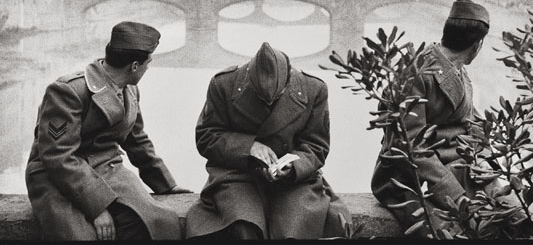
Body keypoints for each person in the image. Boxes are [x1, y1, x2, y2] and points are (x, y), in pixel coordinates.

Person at [25, 21, 191, 241]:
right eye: (147, 63)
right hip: (56, 175)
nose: (147, 69)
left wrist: (166, 185)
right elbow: (58, 156)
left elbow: (136, 140)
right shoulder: (68, 91)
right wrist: (98, 207)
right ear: (134, 66)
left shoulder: (130, 89)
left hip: (106, 168)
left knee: (159, 223)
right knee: (81, 237)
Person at [185, 42, 353, 240]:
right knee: (244, 228)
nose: (268, 103)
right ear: (248, 80)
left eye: (276, 98)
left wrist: (293, 166)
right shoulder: (223, 84)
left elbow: (317, 146)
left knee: (292, 231)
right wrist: (248, 147)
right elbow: (206, 136)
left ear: (288, 83)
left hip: (294, 182)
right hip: (239, 175)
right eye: (260, 98)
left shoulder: (314, 89)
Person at [371, 0, 498, 235]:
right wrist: (457, 196)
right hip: (407, 178)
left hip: (452, 165)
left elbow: (473, 122)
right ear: (477, 45)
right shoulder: (416, 72)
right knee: (448, 233)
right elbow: (412, 147)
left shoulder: (457, 70)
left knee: (506, 214)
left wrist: (485, 159)